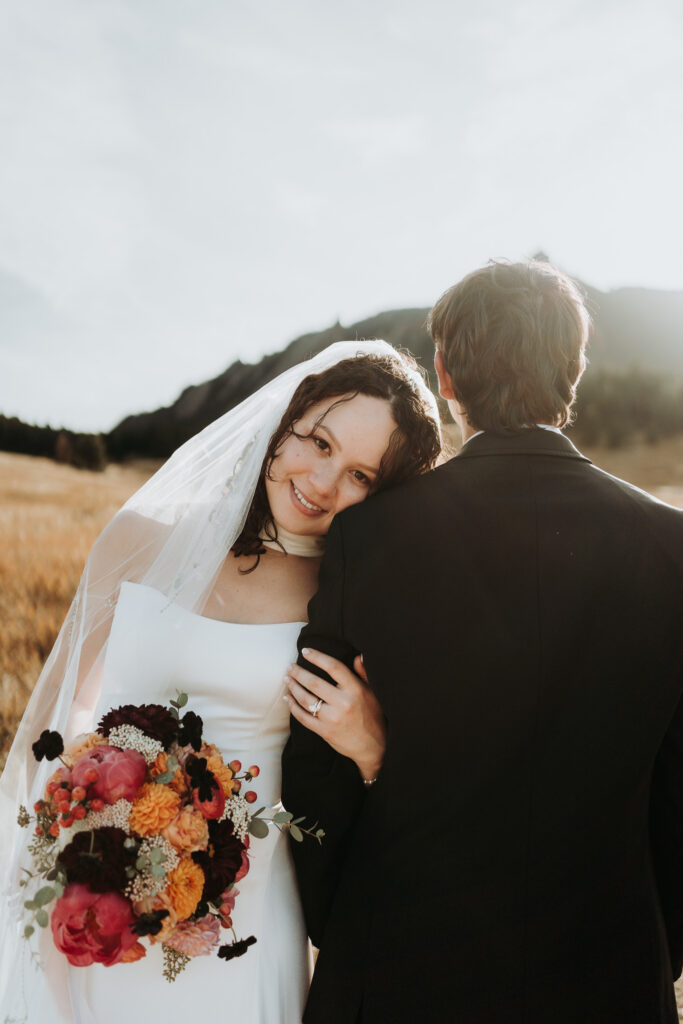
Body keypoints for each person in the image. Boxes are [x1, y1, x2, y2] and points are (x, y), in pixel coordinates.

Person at [282, 261, 683, 1024]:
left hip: (396, 968)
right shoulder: (672, 550)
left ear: (446, 374)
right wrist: (651, 951)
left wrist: (342, 926)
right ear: (574, 369)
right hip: (609, 978)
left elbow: (315, 761)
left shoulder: (367, 535)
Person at [0, 340, 441, 1024]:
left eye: (360, 475)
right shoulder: (138, 538)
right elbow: (48, 724)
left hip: (243, 926)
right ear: (283, 423)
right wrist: (40, 870)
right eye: (317, 442)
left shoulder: (348, 606)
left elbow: (390, 804)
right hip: (92, 899)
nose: (323, 482)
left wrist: (371, 747)